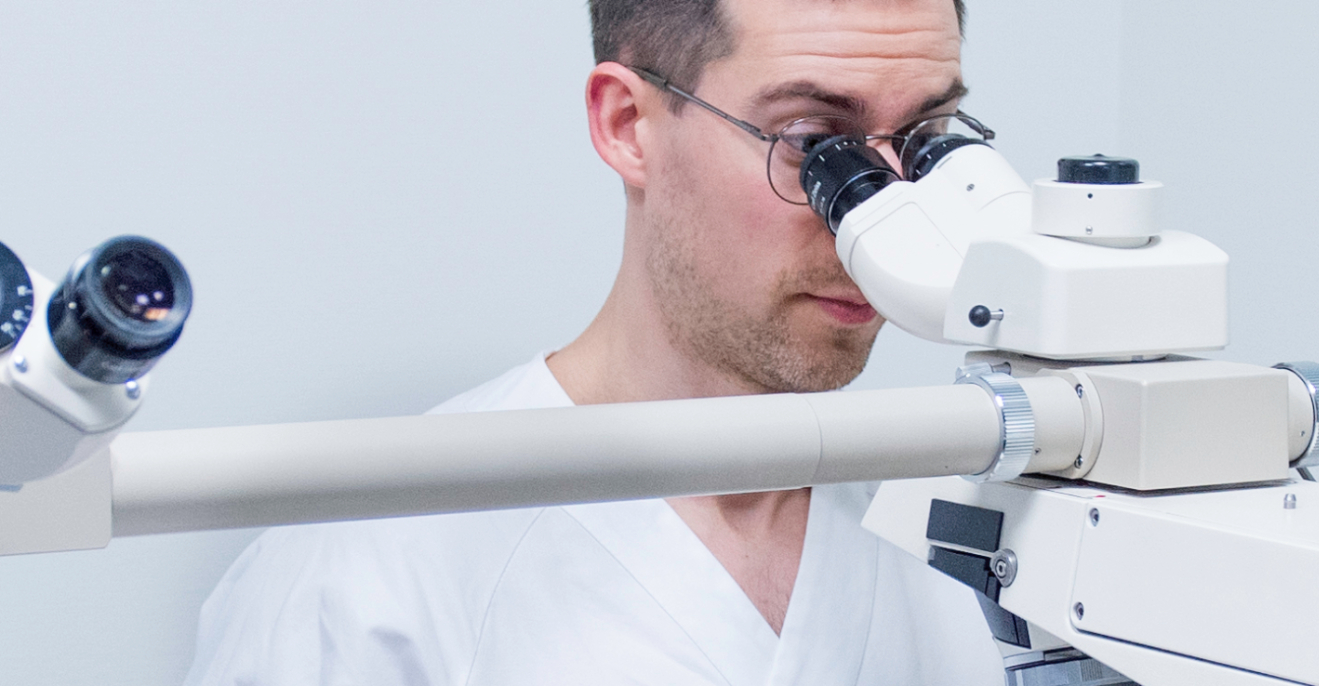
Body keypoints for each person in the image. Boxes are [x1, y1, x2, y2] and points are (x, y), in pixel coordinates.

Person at [182, 0, 1007, 684]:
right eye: (813, 145)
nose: (884, 221)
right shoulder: (366, 583)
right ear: (627, 125)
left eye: (928, 143)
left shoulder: (990, 549)